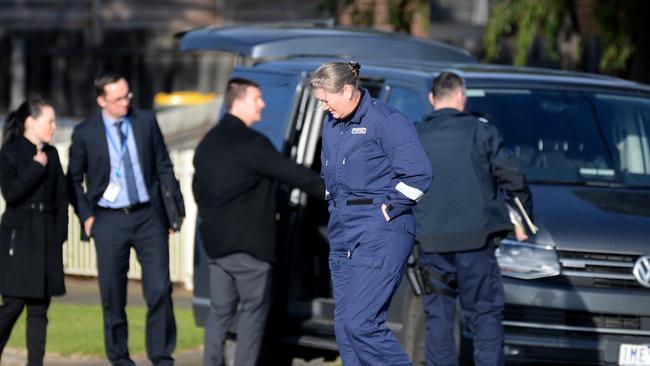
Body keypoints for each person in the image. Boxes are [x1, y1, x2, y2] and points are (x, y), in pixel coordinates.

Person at [192, 77, 325, 366]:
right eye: (257, 99)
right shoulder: (252, 143)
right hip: (250, 250)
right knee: (252, 318)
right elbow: (294, 174)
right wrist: (335, 190)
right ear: (239, 101)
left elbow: (198, 190)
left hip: (216, 248)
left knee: (219, 314)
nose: (262, 104)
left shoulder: (208, 142)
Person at [310, 61, 432, 366]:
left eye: (326, 99)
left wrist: (387, 210)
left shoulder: (387, 121)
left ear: (348, 90)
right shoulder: (333, 123)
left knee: (361, 324)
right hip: (343, 230)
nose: (323, 107)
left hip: (380, 231)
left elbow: (419, 175)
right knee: (345, 329)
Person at [413, 71, 533, 366]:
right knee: (485, 315)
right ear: (461, 97)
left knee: (439, 318)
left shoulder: (414, 134)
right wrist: (524, 222)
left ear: (431, 99)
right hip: (477, 243)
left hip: (431, 243)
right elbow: (512, 177)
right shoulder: (482, 131)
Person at [67, 73, 184, 366]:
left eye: (127, 95)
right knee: (112, 293)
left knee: (159, 288)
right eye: (118, 98)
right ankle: (120, 358)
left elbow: (163, 165)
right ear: (101, 101)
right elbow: (73, 179)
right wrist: (87, 217)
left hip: (148, 216)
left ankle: (161, 355)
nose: (125, 102)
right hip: (108, 220)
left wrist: (170, 211)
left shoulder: (144, 121)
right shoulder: (85, 132)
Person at [0, 98, 68, 365]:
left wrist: (60, 233)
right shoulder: (10, 152)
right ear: (30, 121)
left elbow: (62, 198)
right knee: (13, 305)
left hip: (46, 238)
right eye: (49, 121)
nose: (54, 126)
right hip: (18, 239)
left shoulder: (52, 154)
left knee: (39, 310)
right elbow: (12, 193)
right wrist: (35, 168)